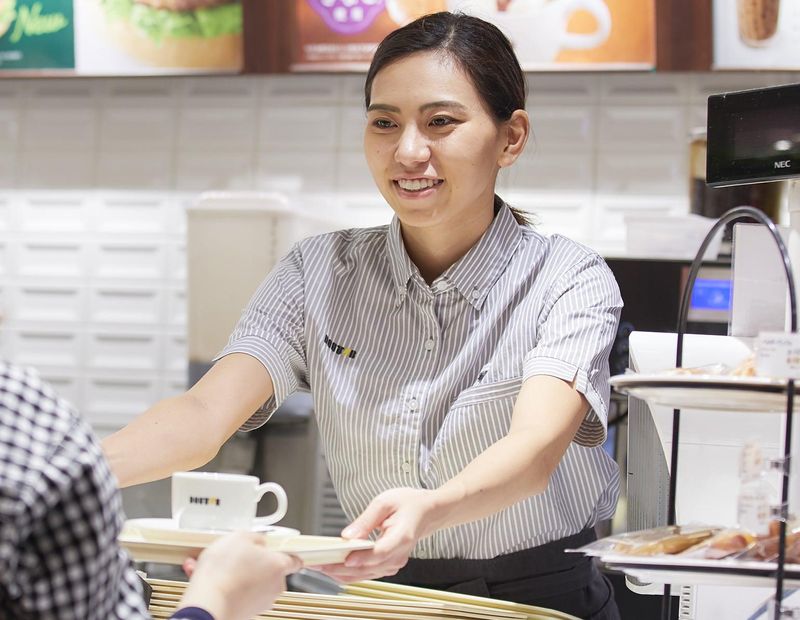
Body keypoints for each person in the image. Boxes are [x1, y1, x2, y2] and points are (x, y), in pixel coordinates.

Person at [102, 11, 622, 619]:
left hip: (539, 594)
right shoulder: (316, 270)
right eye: (384, 122)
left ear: (511, 138)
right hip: (381, 593)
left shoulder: (568, 277)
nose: (408, 151)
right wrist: (71, 474)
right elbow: (203, 413)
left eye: (441, 122)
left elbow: (535, 448)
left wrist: (434, 506)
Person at [0, 360, 302, 620]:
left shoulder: (26, 423)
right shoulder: (25, 412)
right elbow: (205, 411)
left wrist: (76, 472)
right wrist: (215, 598)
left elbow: (205, 411)